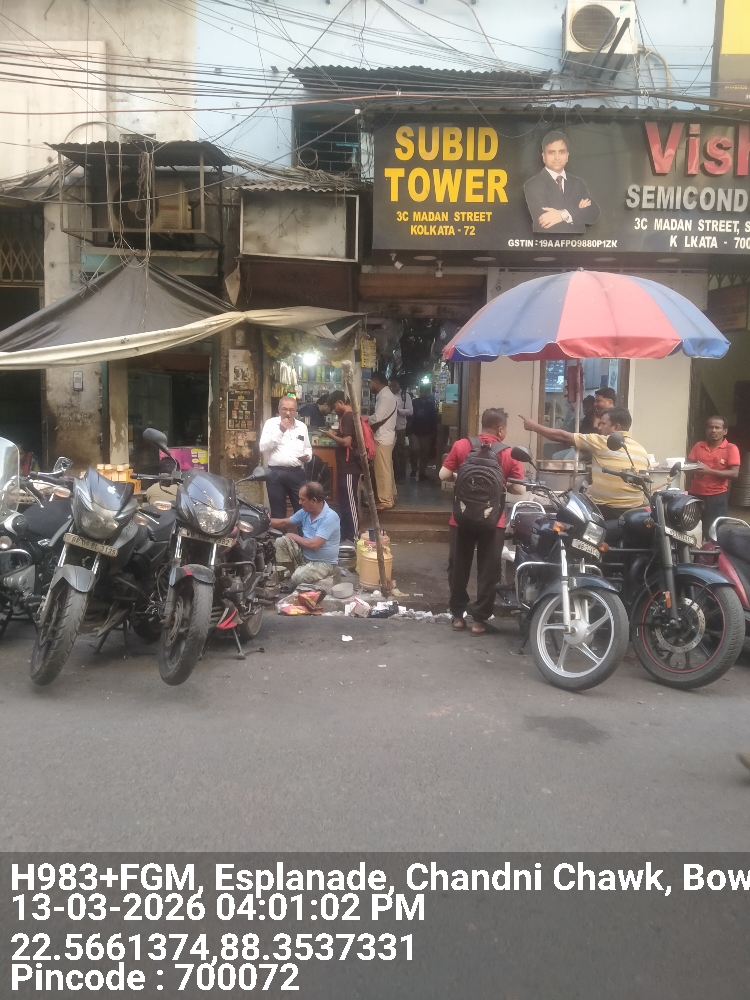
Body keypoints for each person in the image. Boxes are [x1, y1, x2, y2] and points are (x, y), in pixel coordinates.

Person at [440, 408, 525, 635]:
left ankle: (458, 616)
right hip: (493, 520)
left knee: (458, 567)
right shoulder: (509, 453)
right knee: (489, 570)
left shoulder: (462, 445)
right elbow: (520, 489)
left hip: (461, 517)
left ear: (482, 425)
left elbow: (443, 475)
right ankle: (479, 621)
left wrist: (460, 476)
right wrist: (503, 484)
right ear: (500, 429)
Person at [521, 406, 649, 521]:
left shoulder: (603, 441)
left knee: (565, 521)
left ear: (616, 427)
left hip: (608, 512)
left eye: (603, 424)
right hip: (635, 513)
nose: (599, 427)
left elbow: (563, 436)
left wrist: (533, 426)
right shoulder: (641, 450)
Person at [523, 130, 600, 234]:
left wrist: (562, 215)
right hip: (547, 243)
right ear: (544, 156)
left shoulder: (578, 183)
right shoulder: (533, 185)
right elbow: (545, 222)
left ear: (567, 156)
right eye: (552, 152)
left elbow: (594, 213)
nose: (557, 157)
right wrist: (578, 211)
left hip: (577, 244)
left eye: (561, 152)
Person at [270, 480, 341, 586]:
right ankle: (290, 575)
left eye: (302, 500)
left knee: (297, 578)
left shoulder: (330, 517)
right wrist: (265, 521)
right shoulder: (305, 513)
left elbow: (314, 545)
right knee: (281, 541)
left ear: (314, 500)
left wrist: (293, 535)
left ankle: (294, 578)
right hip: (305, 558)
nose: (299, 502)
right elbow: (284, 523)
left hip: (324, 564)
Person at [259, 396, 313, 519]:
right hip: (275, 473)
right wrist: (281, 431)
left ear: (296, 411)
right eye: (284, 409)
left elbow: (308, 448)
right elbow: (263, 447)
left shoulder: (302, 427)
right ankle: (279, 532)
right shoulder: (270, 424)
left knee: (302, 509)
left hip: (296, 473)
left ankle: (302, 531)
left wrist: (307, 457)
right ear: (279, 409)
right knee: (277, 510)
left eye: (291, 410)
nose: (288, 413)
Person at [688, 416, 740, 538]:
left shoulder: (731, 448)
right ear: (706, 430)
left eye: (717, 427)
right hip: (694, 495)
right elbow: (688, 465)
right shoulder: (698, 445)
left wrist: (709, 471)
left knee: (715, 533)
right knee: (691, 531)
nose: (713, 430)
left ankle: (712, 551)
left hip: (717, 497)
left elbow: (734, 473)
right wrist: (694, 470)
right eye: (710, 427)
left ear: (725, 431)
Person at [326, 390, 361, 542]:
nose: (334, 410)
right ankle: (347, 535)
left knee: (350, 503)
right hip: (345, 466)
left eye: (334, 406)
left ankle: (354, 537)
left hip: (349, 467)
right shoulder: (348, 416)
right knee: (346, 503)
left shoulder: (348, 416)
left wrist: (331, 436)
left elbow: (346, 442)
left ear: (340, 402)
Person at [368, 372, 398, 510]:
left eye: (371, 382)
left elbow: (377, 417)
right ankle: (391, 495)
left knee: (382, 470)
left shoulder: (385, 396)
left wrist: (364, 419)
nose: (370, 385)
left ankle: (386, 500)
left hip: (383, 437)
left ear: (376, 382)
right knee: (387, 468)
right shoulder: (386, 395)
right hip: (386, 436)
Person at [410, 384, 438, 480]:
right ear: (420, 392)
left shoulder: (431, 405)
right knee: (414, 450)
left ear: (428, 393)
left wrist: (433, 432)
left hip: (427, 432)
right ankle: (414, 469)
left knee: (425, 453)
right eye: (422, 391)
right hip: (414, 431)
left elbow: (434, 419)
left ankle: (422, 472)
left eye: (426, 392)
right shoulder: (414, 402)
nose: (424, 393)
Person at [389, 378, 413, 483]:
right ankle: (394, 474)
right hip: (389, 428)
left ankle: (402, 474)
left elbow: (410, 411)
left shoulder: (405, 396)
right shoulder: (388, 395)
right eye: (390, 386)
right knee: (392, 452)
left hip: (400, 428)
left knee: (400, 451)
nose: (392, 388)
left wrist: (398, 411)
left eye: (394, 386)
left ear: (399, 385)